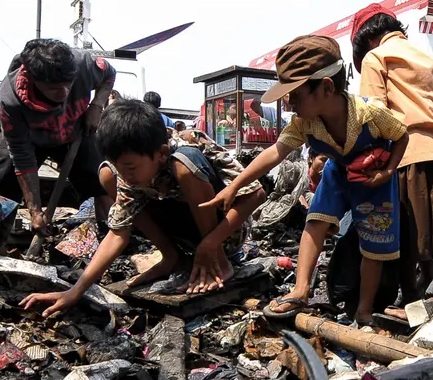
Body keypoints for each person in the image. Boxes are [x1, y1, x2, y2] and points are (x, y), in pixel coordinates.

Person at [202, 35, 409, 328]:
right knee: (315, 222)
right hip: (338, 173)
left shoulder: (370, 112)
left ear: (326, 87)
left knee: (372, 247)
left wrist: (387, 172)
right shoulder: (304, 123)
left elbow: (402, 136)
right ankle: (300, 290)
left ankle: (363, 311)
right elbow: (275, 152)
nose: (288, 104)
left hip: (373, 179)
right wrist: (233, 186)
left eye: (295, 95)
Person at [19, 100, 265, 316]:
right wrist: (75, 291)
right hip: (186, 237)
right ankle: (171, 257)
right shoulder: (126, 173)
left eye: (131, 167)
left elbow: (255, 194)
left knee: (185, 164)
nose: (125, 174)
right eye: (121, 166)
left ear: (161, 153)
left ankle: (219, 262)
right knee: (106, 174)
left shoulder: (189, 145)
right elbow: (118, 233)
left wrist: (211, 243)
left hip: (225, 234)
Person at [352, 3, 433, 302]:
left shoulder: (375, 57)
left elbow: (372, 112)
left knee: (407, 238)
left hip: (405, 157)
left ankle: (415, 300)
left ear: (368, 39)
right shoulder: (426, 58)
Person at [0, 39, 116, 232]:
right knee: (1, 180)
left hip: (74, 129)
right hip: (31, 137)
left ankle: (110, 234)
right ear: (32, 78)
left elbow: (110, 74)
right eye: (55, 88)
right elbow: (22, 156)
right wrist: (35, 211)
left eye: (68, 85)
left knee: (101, 178)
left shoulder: (83, 64)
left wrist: (96, 106)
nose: (63, 93)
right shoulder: (10, 101)